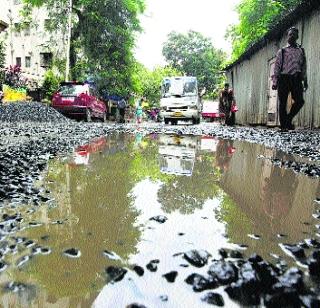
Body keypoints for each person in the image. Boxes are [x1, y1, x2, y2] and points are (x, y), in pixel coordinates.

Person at [272, 26, 308, 131]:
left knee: (300, 101)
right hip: (284, 78)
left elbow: (303, 66)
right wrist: (275, 81)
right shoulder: (282, 51)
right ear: (287, 36)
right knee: (282, 103)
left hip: (296, 78)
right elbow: (277, 67)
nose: (291, 36)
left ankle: (288, 119)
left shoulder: (301, 50)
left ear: (297, 36)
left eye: (293, 34)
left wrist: (305, 80)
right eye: (289, 34)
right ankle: (284, 126)